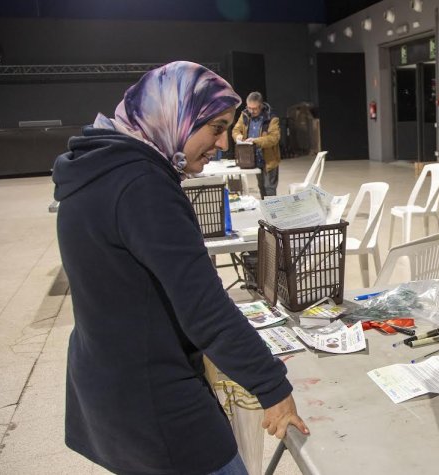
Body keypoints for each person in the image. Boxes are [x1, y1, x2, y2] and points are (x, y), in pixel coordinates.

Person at [52, 61, 308, 475]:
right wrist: (271, 385)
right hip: (154, 400)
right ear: (178, 115)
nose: (223, 143)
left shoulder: (95, 170)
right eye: (216, 127)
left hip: (107, 385)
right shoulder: (142, 186)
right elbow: (203, 307)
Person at [232, 92, 281, 197]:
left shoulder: (271, 117)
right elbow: (236, 130)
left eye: (254, 109)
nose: (251, 111)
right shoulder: (244, 114)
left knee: (269, 188)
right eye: (249, 108)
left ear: (261, 106)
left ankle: (272, 211)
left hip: (269, 160)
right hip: (254, 159)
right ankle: (265, 210)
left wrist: (255, 141)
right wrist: (238, 136)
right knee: (261, 187)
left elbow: (274, 138)